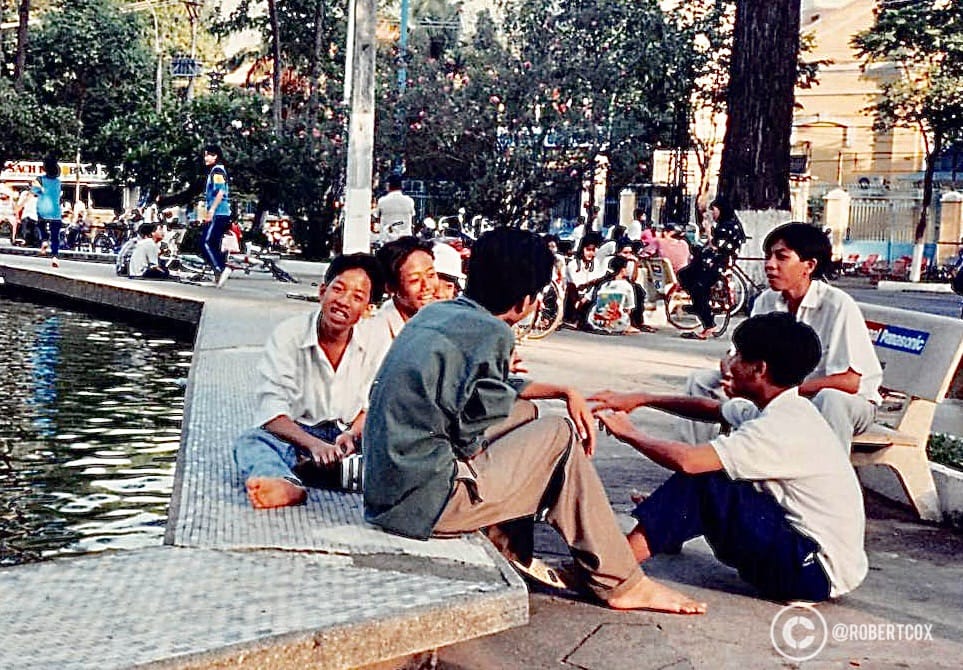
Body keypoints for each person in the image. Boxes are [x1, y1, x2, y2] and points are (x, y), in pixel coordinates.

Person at [364, 227, 706, 614]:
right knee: (558, 434)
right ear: (526, 300)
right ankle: (621, 582)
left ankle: (509, 545)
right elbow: (469, 436)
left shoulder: (444, 312)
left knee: (528, 413)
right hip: (425, 505)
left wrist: (564, 391)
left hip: (387, 492)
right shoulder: (492, 332)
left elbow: (483, 395)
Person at [592, 313, 868, 603]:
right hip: (810, 561)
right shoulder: (782, 407)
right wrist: (640, 399)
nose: (729, 364)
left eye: (737, 356)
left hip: (811, 571)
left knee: (706, 479)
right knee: (709, 481)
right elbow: (711, 409)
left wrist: (630, 434)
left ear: (759, 368)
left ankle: (610, 574)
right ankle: (665, 528)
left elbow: (689, 462)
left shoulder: (781, 426)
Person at [683, 222, 882, 449]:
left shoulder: (837, 305)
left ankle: (823, 474)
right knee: (701, 381)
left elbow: (849, 382)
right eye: (768, 257)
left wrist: (783, 392)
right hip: (782, 392)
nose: (770, 265)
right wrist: (732, 373)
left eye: (781, 257)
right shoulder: (765, 301)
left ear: (809, 265)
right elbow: (736, 355)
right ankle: (696, 461)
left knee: (831, 399)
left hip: (847, 403)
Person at [233, 254, 386, 509]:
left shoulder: (377, 342)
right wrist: (314, 445)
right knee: (251, 442)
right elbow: (272, 412)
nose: (343, 302)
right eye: (338, 289)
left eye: (357, 297)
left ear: (368, 309)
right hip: (301, 435)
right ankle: (287, 483)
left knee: (389, 449)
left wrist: (350, 434)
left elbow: (371, 406)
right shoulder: (288, 335)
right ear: (322, 291)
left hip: (350, 437)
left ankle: (317, 471)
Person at [676, 197, 746, 340]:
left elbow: (717, 245)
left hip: (718, 264)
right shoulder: (722, 224)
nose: (712, 213)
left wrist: (708, 231)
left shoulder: (729, 226)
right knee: (685, 275)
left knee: (699, 288)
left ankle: (709, 324)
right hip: (708, 261)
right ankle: (699, 305)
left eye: (714, 210)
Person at [369, 236, 439, 342]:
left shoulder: (441, 320)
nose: (427, 286)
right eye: (415, 280)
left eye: (431, 275)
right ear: (391, 287)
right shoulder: (376, 335)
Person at [201, 143, 233, 288]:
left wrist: (212, 210)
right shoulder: (216, 171)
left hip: (219, 213)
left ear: (215, 156)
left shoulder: (218, 171)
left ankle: (220, 269)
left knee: (206, 243)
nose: (205, 158)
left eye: (208, 155)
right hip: (220, 213)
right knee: (213, 243)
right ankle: (218, 274)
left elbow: (220, 192)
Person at [564, 232, 609, 328]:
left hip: (588, 296)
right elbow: (576, 286)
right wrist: (591, 283)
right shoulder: (573, 264)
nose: (591, 253)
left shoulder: (595, 263)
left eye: (593, 250)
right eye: (588, 250)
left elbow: (597, 277)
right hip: (574, 296)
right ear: (582, 249)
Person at [31, 154, 63, 267]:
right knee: (55, 236)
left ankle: (44, 240)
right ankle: (55, 257)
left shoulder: (39, 179)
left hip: (43, 208)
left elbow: (34, 191)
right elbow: (59, 195)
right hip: (56, 210)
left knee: (40, 224)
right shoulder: (58, 182)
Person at [375, 174, 416, 245]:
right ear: (401, 185)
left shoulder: (382, 201)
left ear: (388, 185)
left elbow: (377, 216)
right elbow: (413, 217)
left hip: (387, 239)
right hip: (405, 239)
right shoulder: (409, 201)